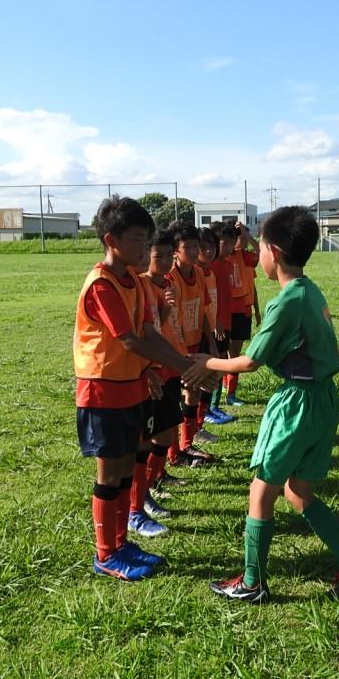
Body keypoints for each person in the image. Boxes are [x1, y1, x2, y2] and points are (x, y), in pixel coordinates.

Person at [185, 206, 339, 602]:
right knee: (298, 490)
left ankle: (253, 583)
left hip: (298, 402)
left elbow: (251, 360)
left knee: (262, 490)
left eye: (259, 249)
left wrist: (208, 363)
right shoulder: (310, 288)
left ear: (272, 250)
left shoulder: (286, 301)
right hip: (324, 398)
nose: (257, 257)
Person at [73, 195, 205, 581]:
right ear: (111, 240)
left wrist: (170, 365)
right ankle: (105, 553)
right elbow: (129, 340)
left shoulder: (133, 282)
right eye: (137, 239)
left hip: (130, 387)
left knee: (128, 469)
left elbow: (149, 333)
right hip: (102, 392)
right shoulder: (102, 285)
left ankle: (120, 542)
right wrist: (187, 365)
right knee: (109, 475)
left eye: (147, 239)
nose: (145, 247)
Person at [133, 227, 189, 536]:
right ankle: (140, 501)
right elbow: (141, 336)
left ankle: (150, 486)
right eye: (159, 256)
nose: (166, 261)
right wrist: (148, 368)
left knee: (165, 437)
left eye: (169, 255)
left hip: (168, 366)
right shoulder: (141, 286)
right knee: (147, 441)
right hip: (152, 370)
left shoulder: (166, 284)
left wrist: (167, 310)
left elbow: (162, 327)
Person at [167, 222, 217, 466]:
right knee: (176, 398)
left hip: (196, 344)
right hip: (175, 350)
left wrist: (212, 344)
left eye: (196, 245)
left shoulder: (197, 273)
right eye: (188, 246)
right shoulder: (170, 277)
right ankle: (174, 452)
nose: (194, 251)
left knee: (193, 391)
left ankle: (187, 443)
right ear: (175, 250)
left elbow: (204, 310)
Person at [203, 223, 236, 425]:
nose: (229, 246)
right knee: (213, 365)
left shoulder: (221, 267)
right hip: (213, 325)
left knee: (219, 363)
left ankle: (212, 406)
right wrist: (215, 322)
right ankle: (207, 409)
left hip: (223, 322)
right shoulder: (207, 268)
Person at [225, 222, 259, 406]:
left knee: (234, 354)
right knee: (228, 354)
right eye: (240, 236)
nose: (244, 239)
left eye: (244, 236)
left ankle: (229, 392)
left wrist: (248, 234)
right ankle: (227, 392)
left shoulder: (243, 256)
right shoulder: (220, 257)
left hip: (243, 309)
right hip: (227, 310)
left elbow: (260, 252)